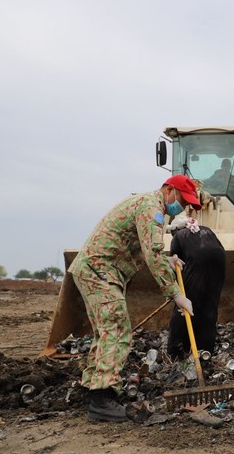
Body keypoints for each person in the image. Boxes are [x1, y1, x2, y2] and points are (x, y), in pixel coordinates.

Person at [68, 174, 200, 422]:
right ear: (169, 191)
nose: (182, 208)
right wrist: (175, 293)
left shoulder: (145, 204)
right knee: (117, 329)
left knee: (106, 332)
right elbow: (152, 251)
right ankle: (101, 400)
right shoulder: (152, 208)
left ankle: (98, 392)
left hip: (97, 270)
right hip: (99, 271)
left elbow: (140, 246)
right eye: (182, 201)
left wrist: (168, 260)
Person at [165, 216, 226, 359]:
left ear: (175, 230)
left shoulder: (179, 236)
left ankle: (175, 349)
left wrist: (174, 293)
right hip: (219, 263)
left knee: (186, 306)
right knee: (210, 307)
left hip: (198, 264)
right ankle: (205, 349)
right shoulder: (207, 230)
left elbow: (176, 266)